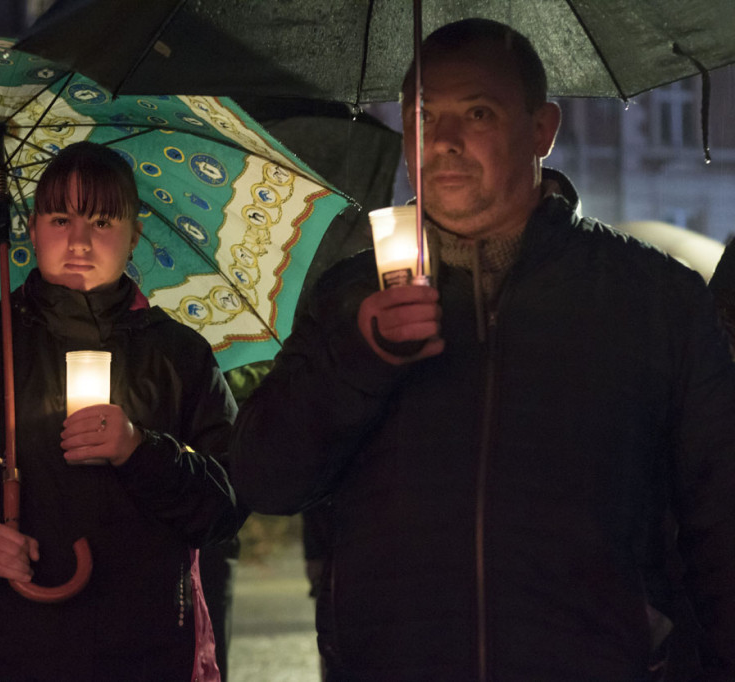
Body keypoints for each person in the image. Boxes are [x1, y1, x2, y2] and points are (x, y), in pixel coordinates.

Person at [230, 18, 735, 682]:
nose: (442, 141)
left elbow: (718, 513)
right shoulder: (348, 299)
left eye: (477, 112)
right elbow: (265, 475)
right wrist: (361, 360)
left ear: (541, 130)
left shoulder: (649, 297)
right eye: (422, 115)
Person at [0, 141, 243, 682]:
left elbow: (227, 502)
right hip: (5, 649)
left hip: (151, 650)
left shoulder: (179, 355)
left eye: (101, 221)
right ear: (29, 227)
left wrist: (141, 450)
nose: (78, 241)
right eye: (60, 218)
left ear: (134, 233)